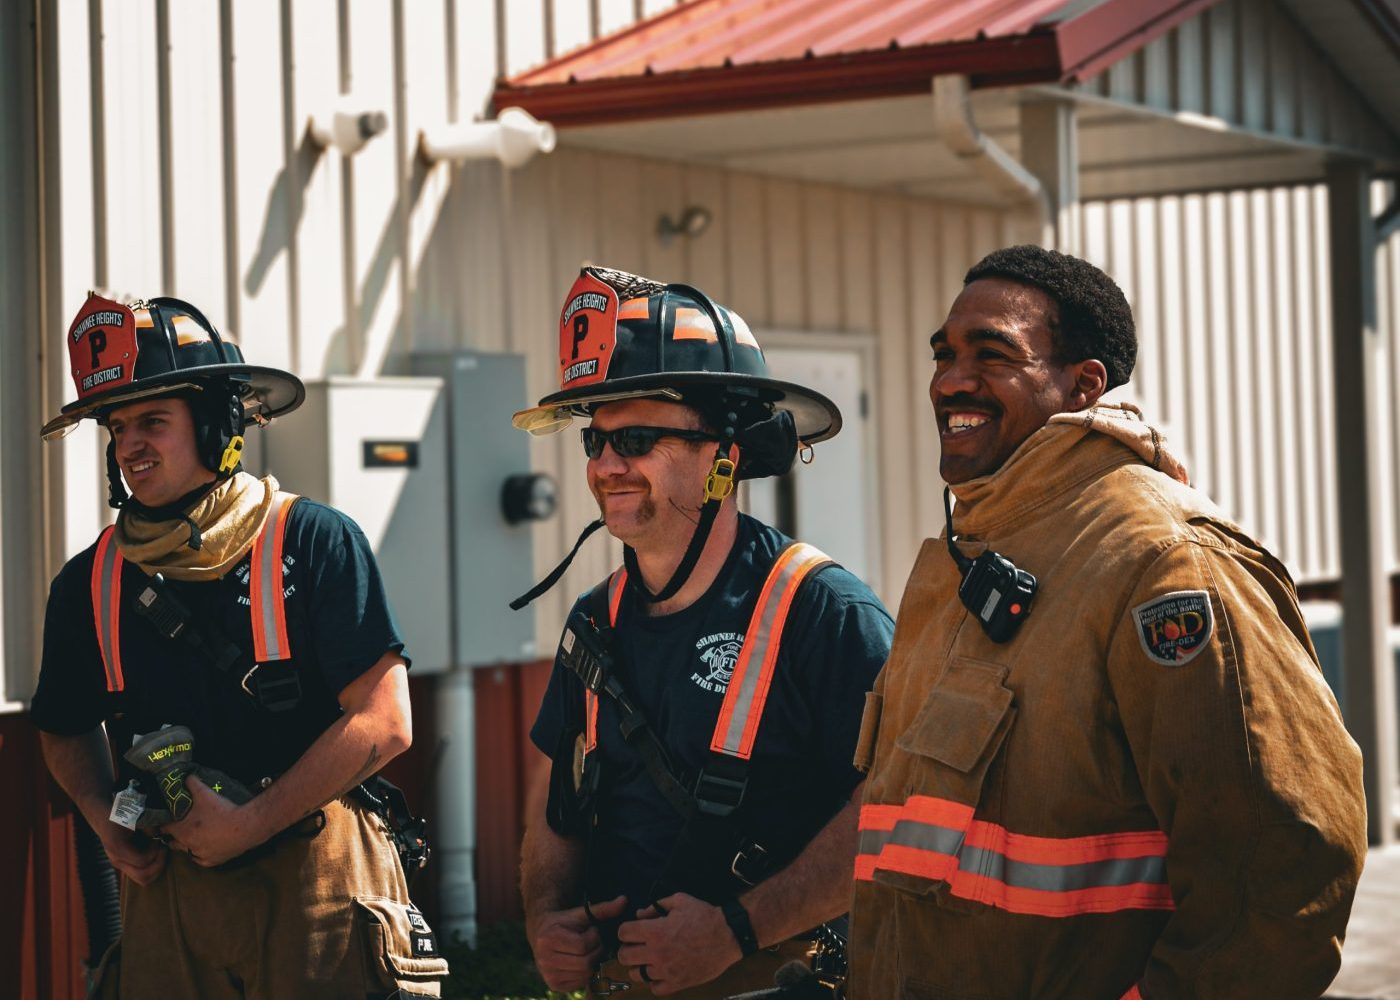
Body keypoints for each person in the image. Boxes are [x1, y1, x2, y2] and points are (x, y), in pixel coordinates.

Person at [848, 245, 1368, 1000]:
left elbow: (1281, 868)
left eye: (993, 355)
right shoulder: (970, 553)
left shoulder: (1165, 560)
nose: (951, 379)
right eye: (946, 353)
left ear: (1083, 384)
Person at [30, 293, 448, 998]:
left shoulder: (313, 540)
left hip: (319, 884)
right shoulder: (89, 582)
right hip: (171, 893)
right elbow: (64, 725)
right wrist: (105, 822)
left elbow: (385, 720)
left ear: (217, 421)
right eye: (118, 425)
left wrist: (248, 823)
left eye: (154, 421)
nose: (130, 443)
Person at [513, 266, 894, 999]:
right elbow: (556, 795)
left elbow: (894, 812)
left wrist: (735, 931)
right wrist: (546, 918)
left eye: (638, 438)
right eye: (595, 440)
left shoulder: (827, 614)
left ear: (726, 456)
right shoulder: (594, 620)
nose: (604, 466)